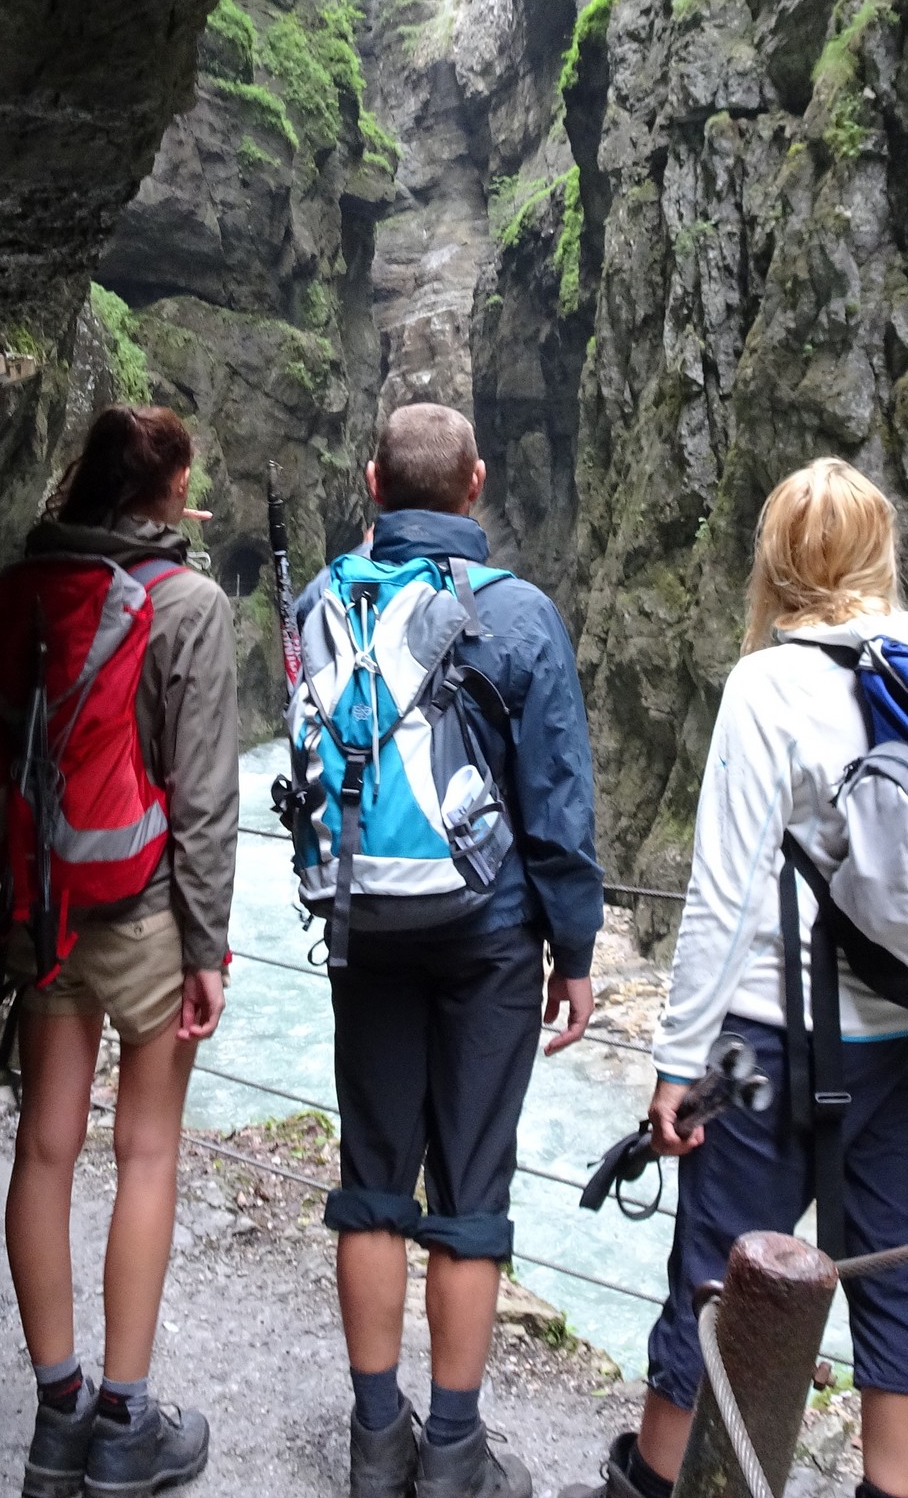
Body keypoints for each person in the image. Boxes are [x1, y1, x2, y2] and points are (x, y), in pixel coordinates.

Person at [569, 458, 908, 1498]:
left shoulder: (769, 683)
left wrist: (672, 1064)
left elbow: (720, 897)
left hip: (765, 1047)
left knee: (716, 1278)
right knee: (898, 1272)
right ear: (882, 555)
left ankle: (656, 1491)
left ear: (777, 562)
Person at [299, 403, 605, 1498]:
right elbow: (556, 804)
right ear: (474, 484)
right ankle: (455, 1453)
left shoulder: (320, 602)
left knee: (372, 1178)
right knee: (470, 1188)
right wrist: (574, 950)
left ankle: (376, 1442)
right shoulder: (518, 616)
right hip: (487, 938)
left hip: (362, 924)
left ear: (372, 483)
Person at [0, 405, 238, 1498]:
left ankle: (57, 1414)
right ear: (169, 490)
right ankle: (126, 1425)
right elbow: (207, 792)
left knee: (44, 1146)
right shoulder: (189, 604)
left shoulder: (26, 588)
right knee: (145, 1151)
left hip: (44, 903)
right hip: (141, 909)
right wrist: (209, 942)